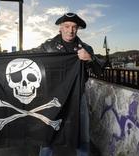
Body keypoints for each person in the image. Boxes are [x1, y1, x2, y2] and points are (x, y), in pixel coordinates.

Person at [28, 12, 102, 156]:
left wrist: (90, 59)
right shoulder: (48, 46)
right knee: (48, 137)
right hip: (53, 98)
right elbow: (29, 54)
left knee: (82, 138)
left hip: (77, 97)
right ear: (60, 28)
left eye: (74, 27)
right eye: (67, 26)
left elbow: (99, 71)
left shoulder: (86, 48)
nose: (70, 30)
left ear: (78, 29)